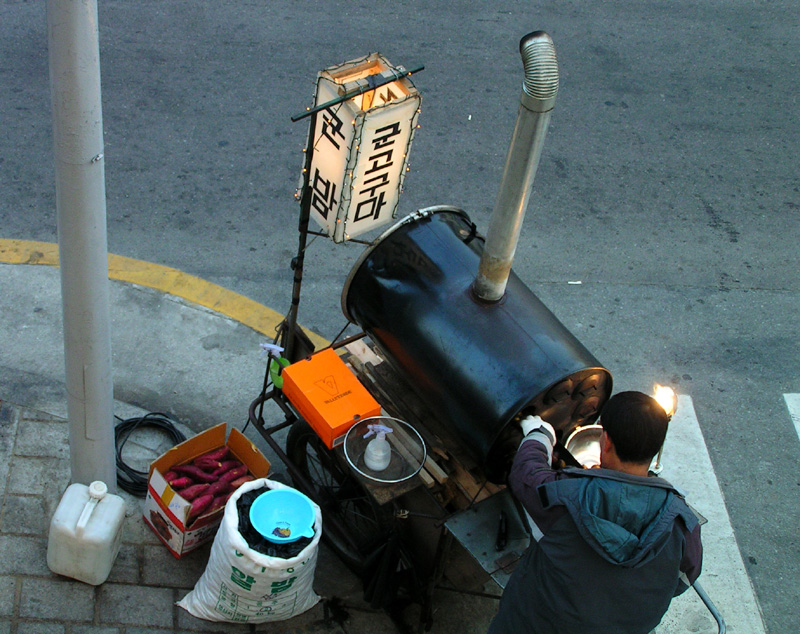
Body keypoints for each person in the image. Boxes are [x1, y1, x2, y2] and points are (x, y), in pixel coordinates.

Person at [487, 391, 703, 634]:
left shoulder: (566, 499)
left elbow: (525, 476)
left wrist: (540, 435)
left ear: (606, 441)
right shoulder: (683, 523)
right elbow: (684, 578)